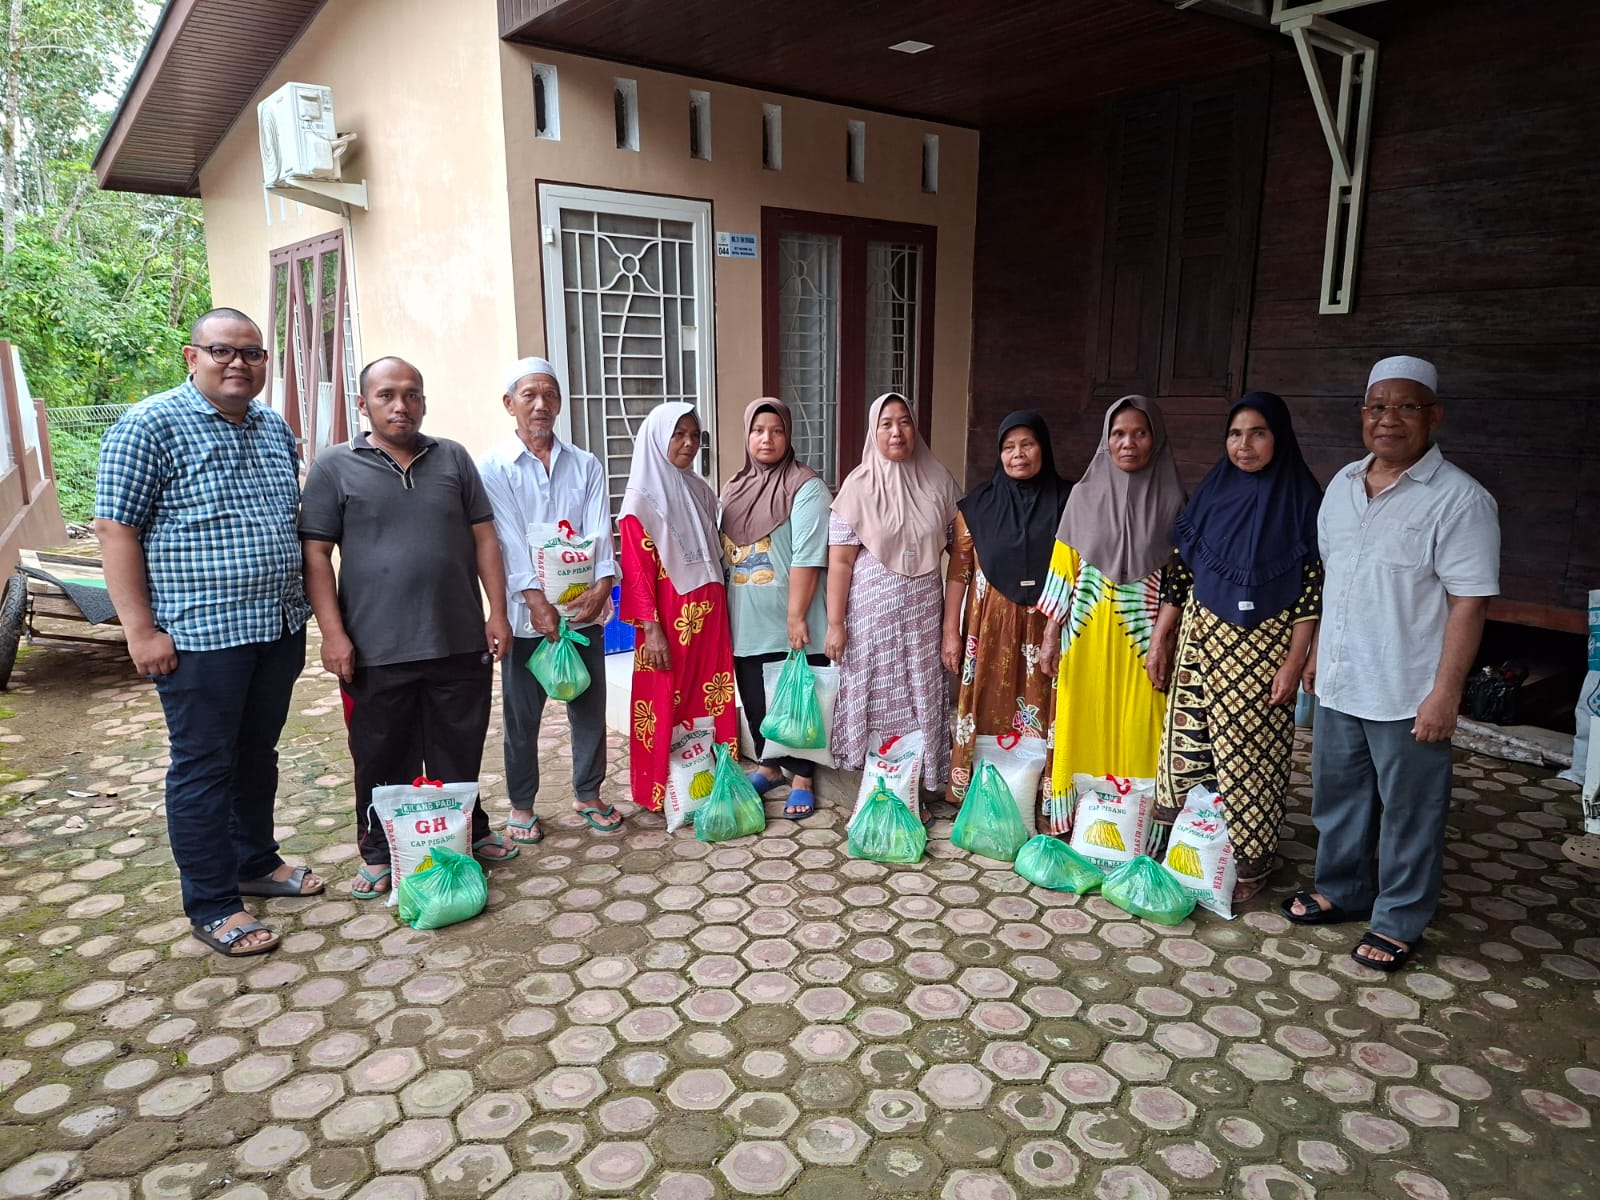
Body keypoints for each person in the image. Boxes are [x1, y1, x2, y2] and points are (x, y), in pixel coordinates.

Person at [95, 307, 322, 958]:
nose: (238, 363)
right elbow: (117, 530)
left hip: (274, 627)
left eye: (251, 353)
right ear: (192, 356)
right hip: (197, 637)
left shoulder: (272, 427)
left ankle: (257, 862)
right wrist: (140, 630)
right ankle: (213, 903)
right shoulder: (149, 426)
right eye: (223, 351)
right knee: (203, 768)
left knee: (258, 756)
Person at [1284, 356, 1499, 972]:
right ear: (1363, 415)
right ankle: (1343, 889)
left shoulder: (1460, 500)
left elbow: (1469, 605)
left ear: (1434, 416)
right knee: (1339, 797)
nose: (1389, 420)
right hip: (1343, 677)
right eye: (1378, 407)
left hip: (1409, 688)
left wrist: (1446, 694)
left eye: (1406, 407)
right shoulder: (1344, 487)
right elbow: (1331, 582)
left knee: (1410, 811)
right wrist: (1318, 654)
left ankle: (1401, 918)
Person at [300, 356, 517, 898]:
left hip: (458, 639)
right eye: (387, 395)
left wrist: (497, 611)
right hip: (376, 648)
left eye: (412, 394)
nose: (401, 405)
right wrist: (333, 633)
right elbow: (317, 553)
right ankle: (378, 850)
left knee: (458, 748)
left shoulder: (453, 459)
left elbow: (485, 538)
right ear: (363, 403)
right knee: (381, 754)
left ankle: (467, 833)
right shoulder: (334, 467)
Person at [1147, 393, 1324, 902]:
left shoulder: (1301, 500)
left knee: (1250, 757)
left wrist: (1296, 662)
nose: (1244, 445)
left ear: (1280, 437)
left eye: (1258, 433)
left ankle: (1249, 863)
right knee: (1186, 745)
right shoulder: (1212, 494)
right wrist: (1161, 637)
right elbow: (1181, 575)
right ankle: (1179, 846)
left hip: (1263, 651)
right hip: (1201, 642)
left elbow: (1312, 589)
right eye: (1235, 434)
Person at [480, 357, 622, 839]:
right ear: (509, 404)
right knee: (523, 715)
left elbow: (600, 529)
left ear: (559, 403)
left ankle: (588, 791)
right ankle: (521, 805)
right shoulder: (495, 467)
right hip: (526, 617)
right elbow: (506, 538)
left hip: (583, 611)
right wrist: (535, 600)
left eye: (550, 395)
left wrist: (604, 583)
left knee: (589, 707)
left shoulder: (586, 464)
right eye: (529, 396)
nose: (541, 405)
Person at [1037, 395, 1186, 834]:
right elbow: (1065, 570)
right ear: (1106, 439)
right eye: (1118, 434)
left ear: (1155, 439)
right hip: (1085, 639)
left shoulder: (1175, 500)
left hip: (1144, 644)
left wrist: (1162, 639)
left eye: (1139, 433)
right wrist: (1050, 634)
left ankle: (1138, 831)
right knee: (1082, 722)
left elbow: (1180, 582)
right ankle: (1076, 825)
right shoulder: (1083, 496)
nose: (1128, 443)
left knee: (1143, 728)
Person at [826, 393, 963, 788]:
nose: (896, 431)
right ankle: (876, 783)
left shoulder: (939, 481)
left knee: (920, 690)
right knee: (875, 695)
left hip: (923, 614)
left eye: (904, 421)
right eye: (885, 423)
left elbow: (961, 551)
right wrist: (836, 624)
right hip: (871, 620)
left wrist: (954, 622)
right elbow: (840, 562)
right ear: (874, 430)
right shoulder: (857, 486)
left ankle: (915, 784)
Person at [942, 412, 1073, 804]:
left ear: (1044, 449)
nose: (1018, 455)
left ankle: (1038, 796)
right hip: (988, 632)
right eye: (1009, 447)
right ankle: (984, 795)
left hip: (1049, 628)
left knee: (1045, 706)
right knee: (987, 703)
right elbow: (958, 572)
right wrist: (951, 631)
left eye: (1027, 445)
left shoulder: (1070, 502)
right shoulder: (976, 507)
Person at [619, 403, 737, 812]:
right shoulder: (640, 500)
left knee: (709, 700)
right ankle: (660, 793)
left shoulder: (700, 489)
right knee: (664, 697)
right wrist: (650, 629)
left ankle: (708, 786)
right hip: (667, 620)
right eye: (678, 434)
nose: (688, 443)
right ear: (657, 438)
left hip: (710, 617)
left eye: (694, 435)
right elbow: (635, 570)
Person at [720, 399, 831, 818]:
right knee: (755, 698)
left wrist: (796, 615)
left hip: (793, 618)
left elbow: (808, 555)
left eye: (777, 431)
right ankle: (769, 766)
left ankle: (802, 775)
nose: (766, 439)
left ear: (789, 436)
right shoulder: (733, 487)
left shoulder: (806, 486)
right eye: (758, 430)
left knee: (798, 699)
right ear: (747, 435)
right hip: (746, 615)